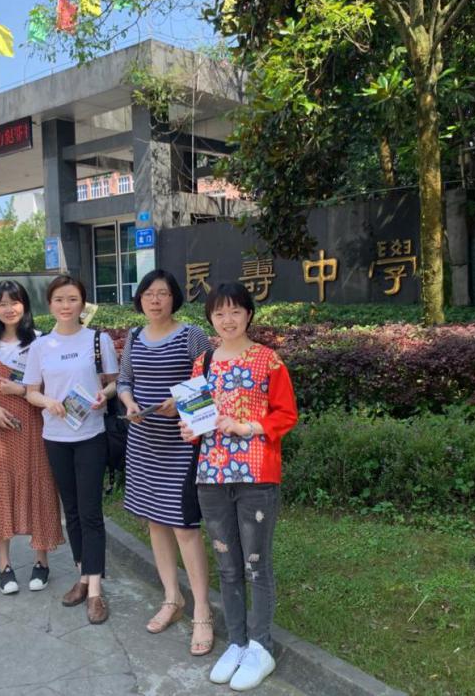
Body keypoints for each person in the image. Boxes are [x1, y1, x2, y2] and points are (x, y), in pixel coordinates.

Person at [180, 282, 298, 691]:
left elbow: (286, 414)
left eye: (235, 311)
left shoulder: (268, 360)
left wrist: (248, 426)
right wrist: (189, 430)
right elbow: (195, 420)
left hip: (256, 476)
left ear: (249, 314)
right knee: (227, 565)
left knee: (255, 564)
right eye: (218, 313)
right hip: (211, 477)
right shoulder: (203, 363)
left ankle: (261, 646)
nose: (227, 320)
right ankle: (237, 641)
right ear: (210, 319)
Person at [117, 269, 215, 655]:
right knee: (155, 521)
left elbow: (211, 381)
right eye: (148, 294)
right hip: (143, 443)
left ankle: (202, 611)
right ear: (140, 299)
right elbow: (124, 381)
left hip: (181, 444)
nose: (155, 300)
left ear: (174, 298)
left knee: (184, 526)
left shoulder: (191, 334)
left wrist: (181, 402)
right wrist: (129, 404)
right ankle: (172, 598)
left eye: (162, 293)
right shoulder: (134, 336)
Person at [23, 275, 118, 624]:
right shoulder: (40, 346)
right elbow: (31, 391)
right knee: (73, 511)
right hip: (56, 437)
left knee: (91, 511)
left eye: (73, 299)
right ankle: (83, 575)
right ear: (50, 305)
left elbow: (114, 383)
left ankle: (95, 591)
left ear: (83, 303)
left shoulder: (98, 339)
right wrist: (48, 402)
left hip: (91, 434)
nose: (66, 306)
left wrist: (103, 395)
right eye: (59, 300)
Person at [0, 280, 64, 595]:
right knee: (0, 489)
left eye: (14, 302)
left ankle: (41, 561)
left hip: (35, 424)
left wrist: (21, 391)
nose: (8, 309)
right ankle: (4, 565)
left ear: (25, 305)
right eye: (1, 303)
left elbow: (50, 385)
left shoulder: (41, 341)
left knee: (40, 484)